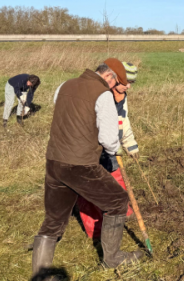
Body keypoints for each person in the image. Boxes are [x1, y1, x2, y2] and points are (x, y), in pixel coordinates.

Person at [31, 62, 144, 278]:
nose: (115, 85)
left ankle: (40, 273)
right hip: (80, 164)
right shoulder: (103, 96)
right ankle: (113, 258)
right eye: (116, 81)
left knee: (54, 219)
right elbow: (109, 140)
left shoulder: (64, 85)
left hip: (54, 161)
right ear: (109, 76)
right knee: (118, 201)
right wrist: (116, 149)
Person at [70, 60, 140, 240]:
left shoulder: (120, 97)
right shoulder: (95, 94)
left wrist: (129, 144)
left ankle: (123, 212)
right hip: (87, 150)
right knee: (88, 191)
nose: (128, 87)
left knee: (116, 177)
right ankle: (96, 230)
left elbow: (122, 121)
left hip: (109, 147)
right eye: (126, 82)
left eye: (131, 82)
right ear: (114, 79)